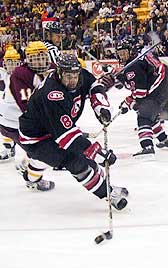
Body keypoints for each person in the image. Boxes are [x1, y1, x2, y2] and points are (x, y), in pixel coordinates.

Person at [19, 54, 129, 210]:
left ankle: (30, 173)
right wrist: (97, 152)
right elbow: (67, 137)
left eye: (75, 75)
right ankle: (108, 193)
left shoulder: (80, 74)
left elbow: (94, 86)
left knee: (63, 157)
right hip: (37, 139)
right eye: (68, 76)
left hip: (54, 129)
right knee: (76, 161)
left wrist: (100, 106)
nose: (72, 80)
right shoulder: (52, 94)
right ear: (59, 72)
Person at [0, 41, 56, 191]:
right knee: (44, 153)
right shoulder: (21, 74)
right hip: (13, 123)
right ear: (27, 59)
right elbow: (29, 107)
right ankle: (33, 180)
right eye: (34, 58)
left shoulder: (50, 70)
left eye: (41, 57)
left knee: (43, 150)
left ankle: (25, 164)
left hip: (19, 122)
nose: (39, 61)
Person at [103, 42, 168, 158]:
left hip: (160, 88)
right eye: (120, 54)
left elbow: (141, 93)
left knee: (143, 116)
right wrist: (117, 75)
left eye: (124, 53)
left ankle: (147, 147)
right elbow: (131, 85)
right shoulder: (136, 62)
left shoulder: (133, 66)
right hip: (162, 86)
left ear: (130, 52)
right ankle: (164, 139)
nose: (122, 56)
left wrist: (129, 102)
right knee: (150, 114)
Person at [0, 45, 21, 160]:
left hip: (21, 115)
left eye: (14, 62)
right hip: (7, 115)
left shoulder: (23, 76)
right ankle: (9, 149)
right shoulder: (4, 74)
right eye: (9, 62)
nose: (12, 65)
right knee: (3, 128)